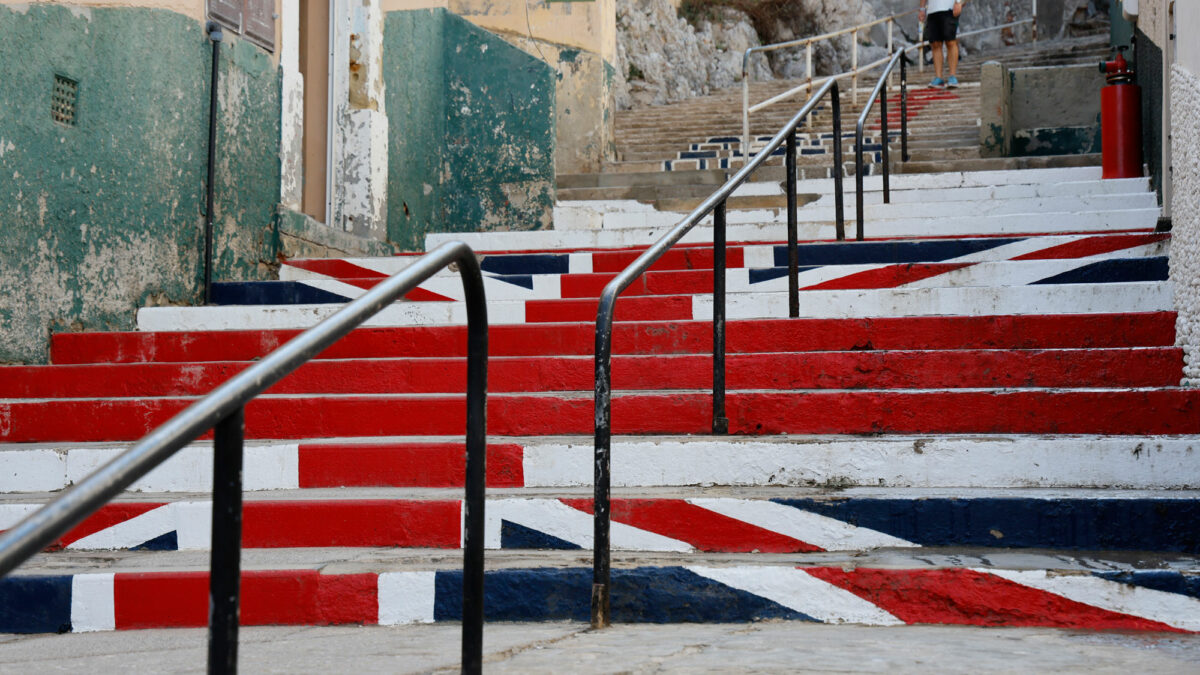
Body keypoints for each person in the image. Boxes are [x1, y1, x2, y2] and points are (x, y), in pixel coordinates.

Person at [919, 0, 964, 88]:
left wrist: (959, 3)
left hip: (949, 9)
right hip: (932, 11)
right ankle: (938, 77)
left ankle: (952, 76)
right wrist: (922, 8)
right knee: (935, 43)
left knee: (950, 41)